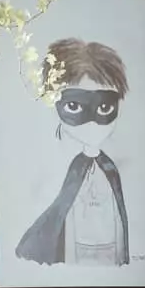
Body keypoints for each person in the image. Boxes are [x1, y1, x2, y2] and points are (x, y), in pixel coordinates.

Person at [16, 38, 130, 266]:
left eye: (105, 107)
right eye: (74, 106)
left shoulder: (110, 169)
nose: (92, 124)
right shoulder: (53, 168)